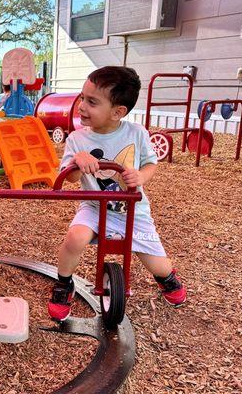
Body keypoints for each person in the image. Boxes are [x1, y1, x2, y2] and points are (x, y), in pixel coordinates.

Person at [48, 66, 187, 322]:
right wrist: (77, 161)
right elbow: (70, 177)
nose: (81, 106)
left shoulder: (136, 133)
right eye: (82, 97)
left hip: (132, 210)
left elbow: (150, 163)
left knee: (158, 264)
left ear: (118, 112)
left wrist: (141, 176)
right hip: (94, 207)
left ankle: (166, 278)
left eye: (92, 102)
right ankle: (64, 284)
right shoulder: (77, 139)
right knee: (74, 238)